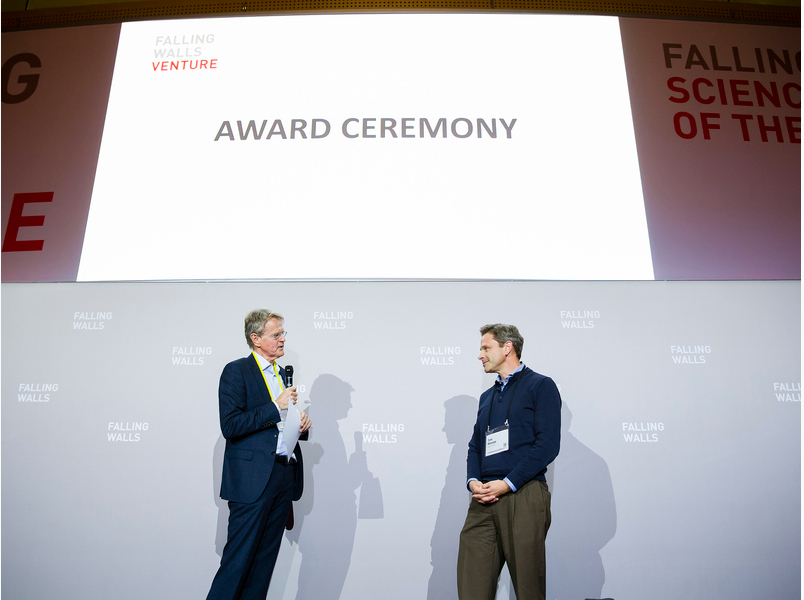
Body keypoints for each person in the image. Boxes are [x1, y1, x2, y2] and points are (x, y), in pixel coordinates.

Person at [207, 309, 311, 600]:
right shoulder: (236, 371)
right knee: (236, 566)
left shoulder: (281, 373)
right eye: (276, 335)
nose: (282, 339)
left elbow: (279, 425)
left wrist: (300, 425)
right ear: (256, 339)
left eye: (283, 334)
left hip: (283, 476)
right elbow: (230, 425)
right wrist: (275, 407)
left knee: (262, 569)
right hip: (252, 482)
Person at [457, 323, 561, 600]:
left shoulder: (540, 385)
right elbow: (475, 446)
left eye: (485, 348)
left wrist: (508, 483)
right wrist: (473, 481)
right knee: (471, 586)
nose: (480, 355)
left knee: (528, 588)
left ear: (507, 347)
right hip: (484, 498)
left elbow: (547, 445)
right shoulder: (487, 397)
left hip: (523, 493)